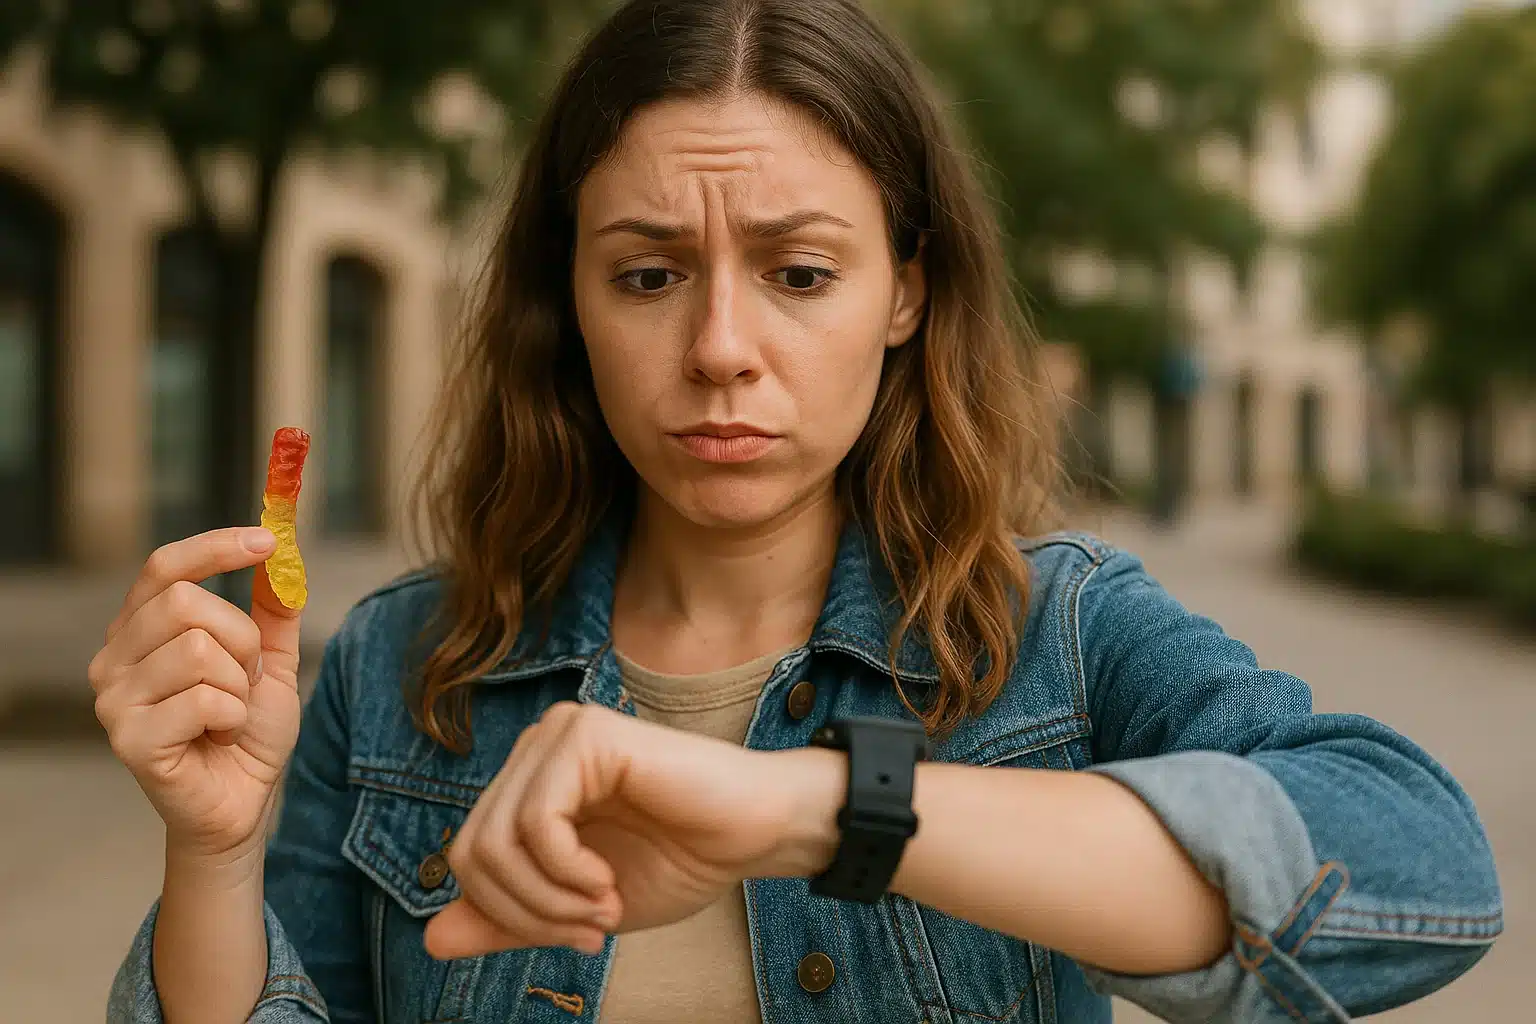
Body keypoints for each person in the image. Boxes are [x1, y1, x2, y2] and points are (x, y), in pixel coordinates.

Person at [95, 1, 1502, 1021]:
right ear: (567, 301)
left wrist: (820, 806)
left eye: (800, 273)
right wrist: (212, 855)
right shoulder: (405, 666)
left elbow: (1419, 871)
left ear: (907, 289)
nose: (719, 346)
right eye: (647, 275)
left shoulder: (1054, 637)